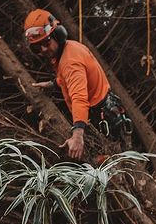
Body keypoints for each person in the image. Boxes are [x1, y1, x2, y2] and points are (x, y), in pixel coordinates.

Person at [23, 9, 131, 161]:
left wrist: (78, 134)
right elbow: (72, 79)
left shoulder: (70, 61)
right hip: (105, 111)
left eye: (46, 42)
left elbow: (79, 97)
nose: (43, 50)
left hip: (102, 120)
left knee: (115, 168)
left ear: (58, 34)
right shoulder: (70, 48)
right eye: (36, 47)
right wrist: (52, 83)